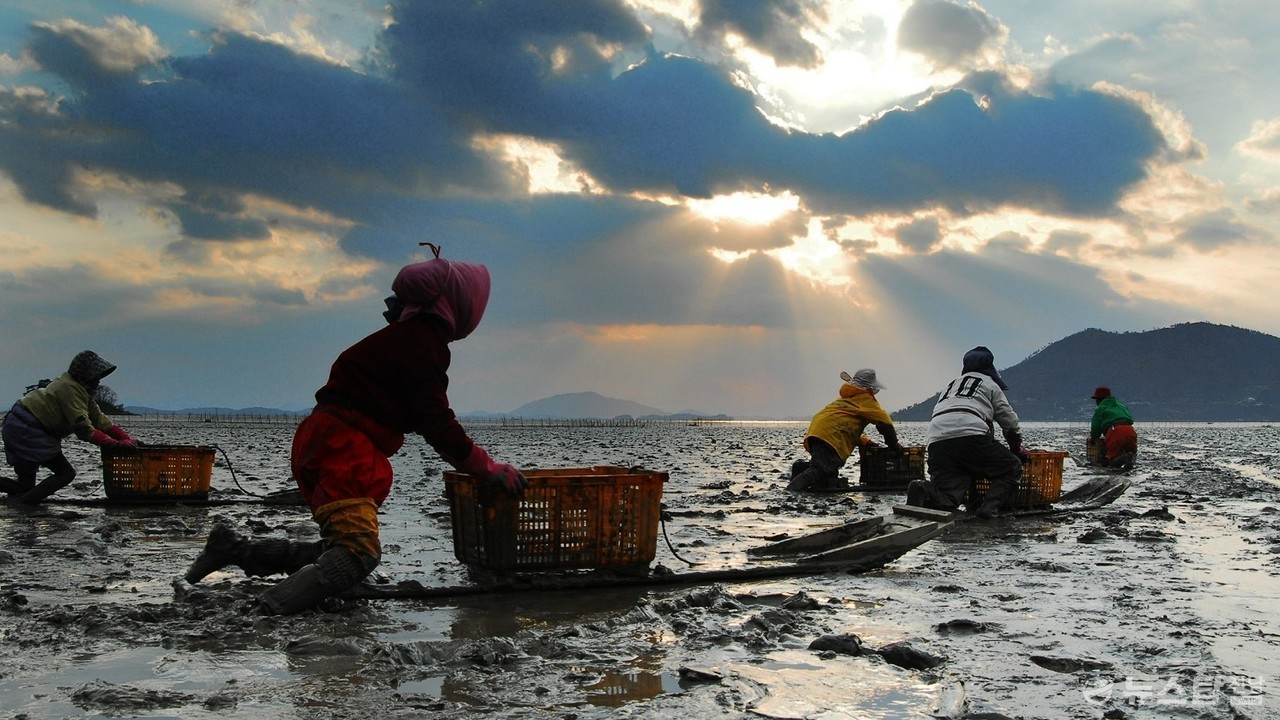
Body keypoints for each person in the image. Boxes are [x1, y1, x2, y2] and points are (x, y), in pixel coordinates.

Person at [183, 246, 529, 614]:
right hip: (342, 447)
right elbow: (436, 420)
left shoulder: (403, 337)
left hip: (326, 437)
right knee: (358, 554)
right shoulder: (422, 343)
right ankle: (263, 612)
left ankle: (236, 549)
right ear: (458, 306)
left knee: (340, 548)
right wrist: (486, 468)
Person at [1, 350, 138, 504]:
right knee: (65, 474)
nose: (99, 380)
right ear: (86, 375)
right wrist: (111, 443)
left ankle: (21, 502)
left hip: (17, 425)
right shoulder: (69, 388)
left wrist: (127, 439)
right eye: (96, 375)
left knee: (25, 487)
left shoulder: (82, 393)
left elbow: (100, 421)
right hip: (28, 428)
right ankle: (22, 505)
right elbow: (83, 427)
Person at [907, 346, 1027, 519]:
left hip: (936, 439)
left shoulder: (952, 386)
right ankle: (988, 509)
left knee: (948, 496)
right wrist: (1016, 449)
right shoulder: (989, 384)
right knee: (1012, 468)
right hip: (970, 435)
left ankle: (922, 488)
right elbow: (1009, 421)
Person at [788, 368, 903, 492]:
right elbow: (885, 423)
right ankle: (790, 493)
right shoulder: (866, 400)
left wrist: (866, 442)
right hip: (831, 437)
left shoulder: (847, 399)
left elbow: (846, 428)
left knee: (828, 472)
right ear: (870, 388)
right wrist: (894, 445)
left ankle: (800, 471)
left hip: (818, 432)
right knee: (819, 471)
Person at [1089, 386, 1137, 470]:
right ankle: (1129, 458)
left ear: (1099, 399)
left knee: (1111, 460)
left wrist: (1093, 438)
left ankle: (1125, 457)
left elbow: (1095, 426)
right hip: (1130, 430)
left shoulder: (1101, 408)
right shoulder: (1121, 406)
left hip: (1115, 430)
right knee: (1131, 451)